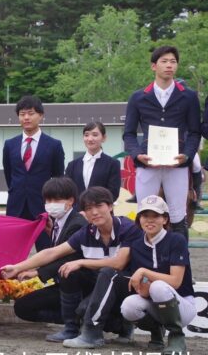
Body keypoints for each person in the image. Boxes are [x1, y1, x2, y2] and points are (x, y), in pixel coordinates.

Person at [0, 187, 142, 343]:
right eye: (89, 208)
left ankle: (112, 326)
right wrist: (18, 267)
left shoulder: (127, 228)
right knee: (67, 272)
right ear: (84, 213)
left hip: (123, 288)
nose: (94, 212)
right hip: (93, 286)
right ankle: (73, 327)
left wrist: (81, 261)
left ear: (110, 206)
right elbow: (52, 252)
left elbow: (119, 263)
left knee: (101, 278)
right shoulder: (86, 232)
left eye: (99, 206)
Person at [123, 45, 201, 240]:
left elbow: (194, 131)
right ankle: (141, 259)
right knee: (144, 211)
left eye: (173, 62)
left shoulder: (189, 96)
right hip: (148, 162)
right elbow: (129, 134)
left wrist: (188, 155)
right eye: (164, 61)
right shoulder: (138, 97)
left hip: (177, 162)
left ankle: (182, 264)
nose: (169, 66)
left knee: (178, 215)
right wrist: (136, 154)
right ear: (153, 66)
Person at [121, 195, 195, 354]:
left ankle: (176, 337)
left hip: (182, 305)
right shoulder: (136, 245)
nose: (149, 220)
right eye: (145, 215)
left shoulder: (177, 240)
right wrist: (144, 286)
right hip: (155, 303)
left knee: (159, 287)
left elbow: (175, 281)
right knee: (128, 306)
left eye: (156, 216)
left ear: (165, 219)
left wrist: (144, 273)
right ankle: (156, 332)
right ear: (139, 219)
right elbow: (142, 281)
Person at [13, 177, 88, 325]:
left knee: (24, 307)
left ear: (70, 201)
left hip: (77, 283)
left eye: (56, 200)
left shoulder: (77, 223)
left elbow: (69, 257)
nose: (51, 205)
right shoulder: (57, 222)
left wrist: (36, 272)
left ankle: (76, 319)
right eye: (48, 201)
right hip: (62, 281)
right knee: (22, 305)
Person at [3, 95, 65, 251]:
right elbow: (9, 175)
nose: (26, 117)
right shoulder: (10, 145)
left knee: (46, 250)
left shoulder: (54, 145)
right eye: (22, 114)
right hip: (16, 206)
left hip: (43, 207)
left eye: (31, 113)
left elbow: (58, 178)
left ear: (41, 115)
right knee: (13, 251)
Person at [65, 121, 121, 203]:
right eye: (86, 135)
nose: (90, 139)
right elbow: (67, 191)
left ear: (104, 138)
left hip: (100, 212)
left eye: (95, 135)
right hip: (77, 213)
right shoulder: (72, 165)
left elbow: (113, 194)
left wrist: (93, 207)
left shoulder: (112, 164)